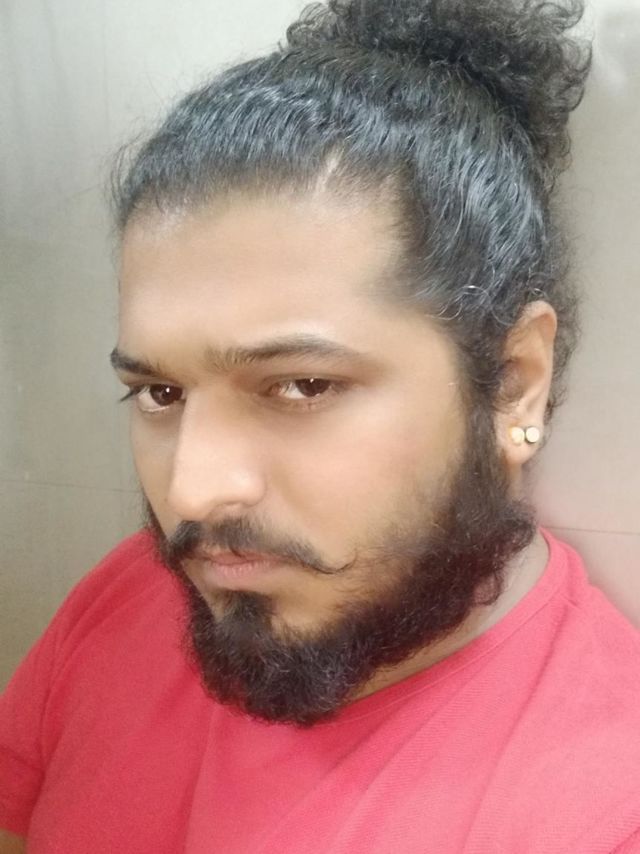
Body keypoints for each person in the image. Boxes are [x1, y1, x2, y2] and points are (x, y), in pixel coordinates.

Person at [1, 0, 639, 851]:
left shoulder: (607, 807)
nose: (191, 492)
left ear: (514, 385)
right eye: (160, 393)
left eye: (301, 385)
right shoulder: (127, 597)